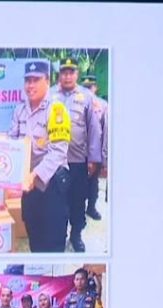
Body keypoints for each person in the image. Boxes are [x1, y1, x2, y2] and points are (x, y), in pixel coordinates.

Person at [9, 61, 71, 252]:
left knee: (52, 243)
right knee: (34, 238)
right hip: (29, 188)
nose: (31, 85)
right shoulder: (20, 110)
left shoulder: (57, 110)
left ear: (48, 81)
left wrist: (34, 175)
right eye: (28, 80)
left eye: (36, 80)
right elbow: (12, 143)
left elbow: (58, 151)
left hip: (51, 186)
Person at [50, 58, 102, 251]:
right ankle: (58, 236)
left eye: (71, 72)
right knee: (56, 203)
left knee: (78, 201)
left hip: (78, 161)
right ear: (59, 75)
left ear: (77, 74)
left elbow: (94, 129)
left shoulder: (86, 97)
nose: (67, 76)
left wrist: (93, 159)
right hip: (54, 161)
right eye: (64, 72)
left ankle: (76, 235)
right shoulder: (50, 95)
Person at [81, 74, 108, 220]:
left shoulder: (103, 106)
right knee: (77, 185)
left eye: (89, 87)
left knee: (93, 184)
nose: (87, 90)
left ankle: (91, 208)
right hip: (78, 153)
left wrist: (104, 158)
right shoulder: (75, 104)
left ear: (95, 88)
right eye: (84, 87)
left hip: (95, 152)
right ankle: (78, 210)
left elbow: (105, 131)